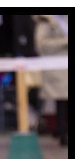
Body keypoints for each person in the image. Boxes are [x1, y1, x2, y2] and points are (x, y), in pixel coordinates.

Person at [32, 15, 68, 146]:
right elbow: (41, 44)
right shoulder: (45, 21)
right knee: (62, 101)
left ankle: (62, 132)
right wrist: (65, 41)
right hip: (56, 67)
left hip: (67, 65)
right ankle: (64, 135)